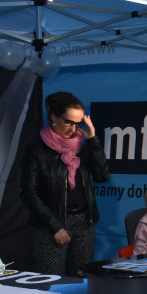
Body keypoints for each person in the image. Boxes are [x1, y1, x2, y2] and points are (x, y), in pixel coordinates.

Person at [21, 91, 109, 276]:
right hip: (52, 223)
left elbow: (102, 176)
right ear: (53, 117)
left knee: (80, 280)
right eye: (69, 122)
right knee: (48, 280)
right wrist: (55, 226)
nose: (74, 129)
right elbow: (29, 192)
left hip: (84, 222)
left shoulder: (82, 147)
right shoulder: (37, 149)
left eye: (78, 123)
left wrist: (92, 140)